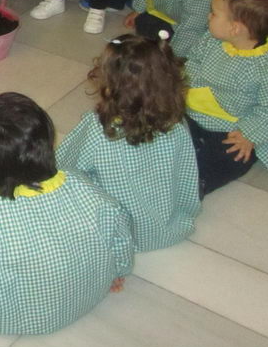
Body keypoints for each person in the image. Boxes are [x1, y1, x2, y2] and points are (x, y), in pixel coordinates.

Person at [0, 93, 133, 334]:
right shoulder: (87, 187)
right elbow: (121, 237)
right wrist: (119, 272)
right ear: (49, 142)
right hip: (90, 296)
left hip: (15, 320)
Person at [57, 34, 200, 251]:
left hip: (116, 233)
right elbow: (185, 175)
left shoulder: (99, 130)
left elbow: (64, 168)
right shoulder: (176, 125)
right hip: (164, 227)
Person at [185, 0, 268, 195]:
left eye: (214, 13)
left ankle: (198, 182)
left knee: (232, 156)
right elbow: (193, 61)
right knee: (164, 127)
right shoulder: (211, 39)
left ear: (235, 28)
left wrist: (249, 134)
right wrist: (184, 83)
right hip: (194, 112)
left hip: (232, 129)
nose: (208, 16)